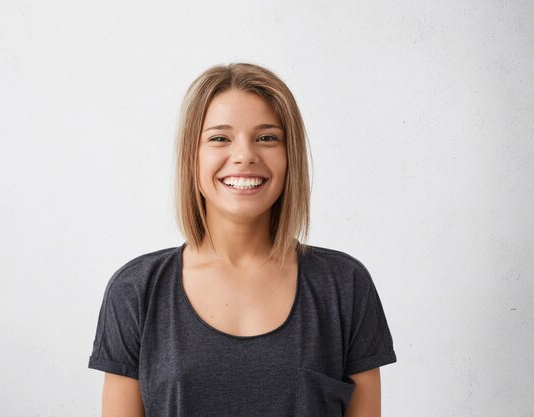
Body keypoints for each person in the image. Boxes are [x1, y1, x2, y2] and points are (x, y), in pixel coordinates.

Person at [88, 62, 397, 416]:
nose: (245, 155)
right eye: (220, 137)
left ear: (290, 156)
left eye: (267, 137)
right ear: (192, 157)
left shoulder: (344, 285)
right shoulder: (136, 291)